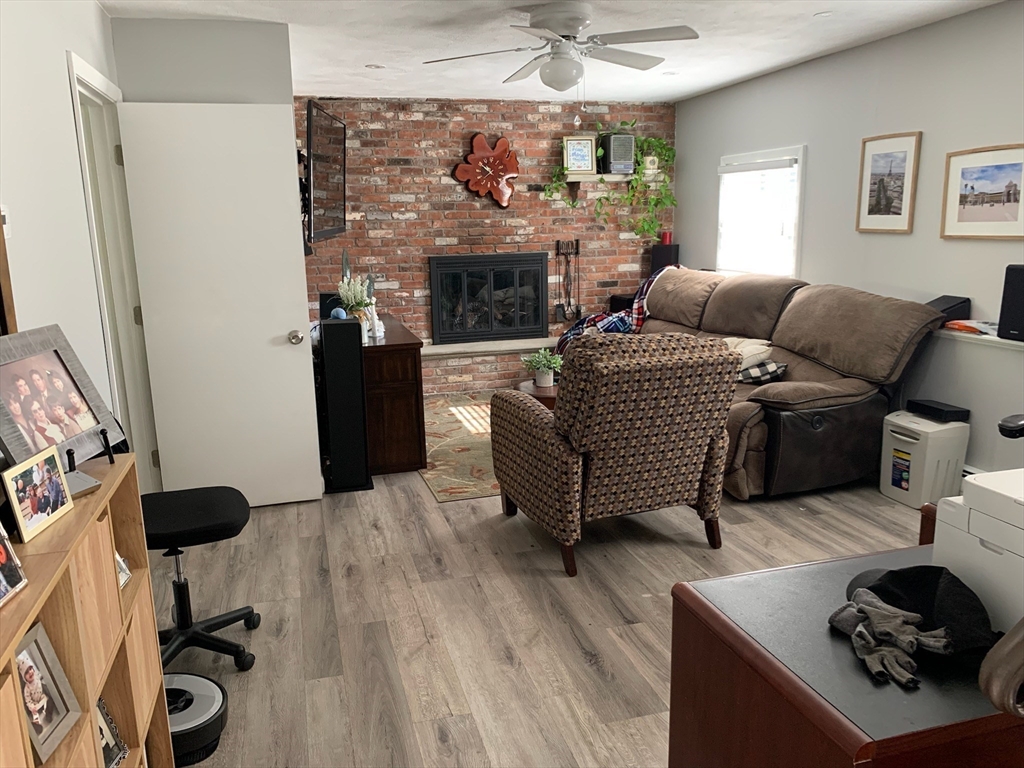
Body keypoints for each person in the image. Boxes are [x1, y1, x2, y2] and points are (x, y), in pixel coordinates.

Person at [17, 654, 53, 734]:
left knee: (50, 701)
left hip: (42, 698)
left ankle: (48, 714)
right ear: (24, 678)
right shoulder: (27, 688)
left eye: (30, 669)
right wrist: (32, 707)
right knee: (35, 716)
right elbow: (28, 701)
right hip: (35, 705)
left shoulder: (37, 677)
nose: (30, 672)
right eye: (27, 672)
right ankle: (37, 725)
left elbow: (42, 680)